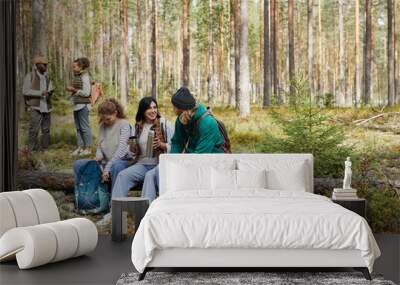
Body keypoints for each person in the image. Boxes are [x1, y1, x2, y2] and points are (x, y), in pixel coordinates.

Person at [141, 87, 223, 203]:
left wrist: (178, 166)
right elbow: (177, 143)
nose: (173, 108)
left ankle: (168, 205)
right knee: (151, 174)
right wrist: (170, 162)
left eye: (174, 106)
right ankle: (146, 212)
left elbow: (200, 156)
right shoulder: (181, 119)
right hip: (190, 158)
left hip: (210, 161)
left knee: (167, 175)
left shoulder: (208, 123)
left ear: (182, 108)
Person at [111, 97, 174, 200]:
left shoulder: (164, 124)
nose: (153, 111)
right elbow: (132, 153)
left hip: (158, 165)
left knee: (149, 176)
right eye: (149, 108)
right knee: (122, 175)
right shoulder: (138, 126)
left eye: (155, 107)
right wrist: (132, 148)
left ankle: (146, 211)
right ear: (143, 110)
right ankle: (116, 210)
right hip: (141, 165)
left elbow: (175, 148)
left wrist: (162, 145)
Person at [73, 98, 132, 193]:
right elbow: (100, 146)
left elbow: (122, 150)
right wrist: (98, 157)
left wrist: (107, 168)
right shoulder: (102, 126)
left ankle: (114, 201)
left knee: (116, 166)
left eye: (108, 119)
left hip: (122, 161)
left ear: (115, 113)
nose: (106, 122)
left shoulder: (124, 124)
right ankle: (88, 198)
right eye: (103, 119)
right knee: (78, 164)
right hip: (106, 162)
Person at [22, 56, 54, 152]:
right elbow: (25, 91)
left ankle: (45, 149)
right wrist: (40, 93)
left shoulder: (47, 77)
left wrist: (50, 92)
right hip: (36, 107)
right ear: (38, 65)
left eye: (46, 65)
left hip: (47, 107)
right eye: (44, 65)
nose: (45, 66)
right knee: (33, 130)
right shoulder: (30, 76)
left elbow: (50, 88)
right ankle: (32, 150)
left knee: (46, 130)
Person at [66, 57, 93, 156]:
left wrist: (74, 90)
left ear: (81, 66)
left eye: (74, 66)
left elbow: (86, 93)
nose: (73, 68)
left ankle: (88, 148)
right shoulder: (78, 76)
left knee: (85, 127)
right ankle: (80, 147)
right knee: (78, 128)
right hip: (77, 105)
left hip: (83, 105)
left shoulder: (85, 76)